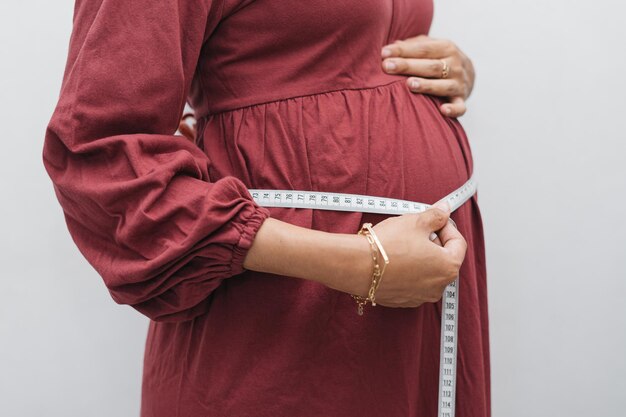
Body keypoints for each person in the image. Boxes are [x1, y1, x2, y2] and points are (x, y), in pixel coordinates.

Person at [42, 0, 489, 416]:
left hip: (413, 304)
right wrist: (361, 263)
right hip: (283, 322)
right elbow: (100, 157)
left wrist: (450, 70)